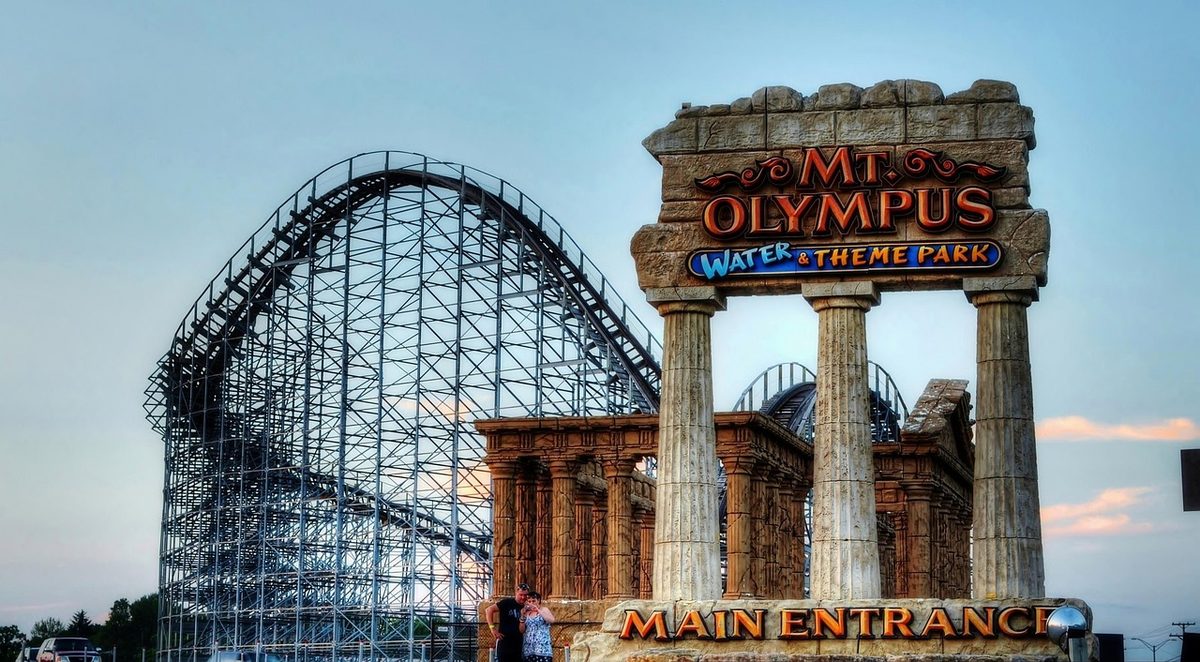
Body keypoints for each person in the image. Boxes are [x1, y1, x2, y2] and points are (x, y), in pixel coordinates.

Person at [484, 582, 530, 662]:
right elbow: (488, 610)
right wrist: (492, 629)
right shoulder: (507, 602)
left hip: (519, 641)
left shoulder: (527, 607)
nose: (523, 597)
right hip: (504, 640)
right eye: (521, 595)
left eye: (525, 595)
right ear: (516, 592)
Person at [518, 591, 555, 662]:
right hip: (528, 648)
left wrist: (538, 610)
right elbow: (521, 630)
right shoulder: (526, 613)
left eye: (534, 601)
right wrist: (522, 615)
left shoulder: (544, 609)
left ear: (538, 601)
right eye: (529, 601)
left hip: (542, 648)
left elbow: (551, 620)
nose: (531, 603)